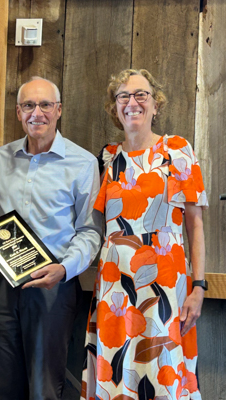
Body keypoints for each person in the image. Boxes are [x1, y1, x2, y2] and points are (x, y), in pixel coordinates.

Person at [0, 76, 102, 400]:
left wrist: (64, 269)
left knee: (44, 389)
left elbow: (90, 231)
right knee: (3, 386)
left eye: (44, 105)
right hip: (1, 287)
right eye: (28, 105)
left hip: (53, 287)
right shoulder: (1, 158)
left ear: (58, 111)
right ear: (18, 112)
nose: (36, 113)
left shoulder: (82, 164)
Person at [81, 69, 208, 400]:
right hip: (115, 288)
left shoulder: (177, 150)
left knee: (162, 370)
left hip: (165, 284)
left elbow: (195, 223)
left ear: (156, 105)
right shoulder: (108, 158)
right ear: (115, 107)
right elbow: (92, 225)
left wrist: (199, 286)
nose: (132, 102)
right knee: (119, 370)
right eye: (124, 96)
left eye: (141, 95)